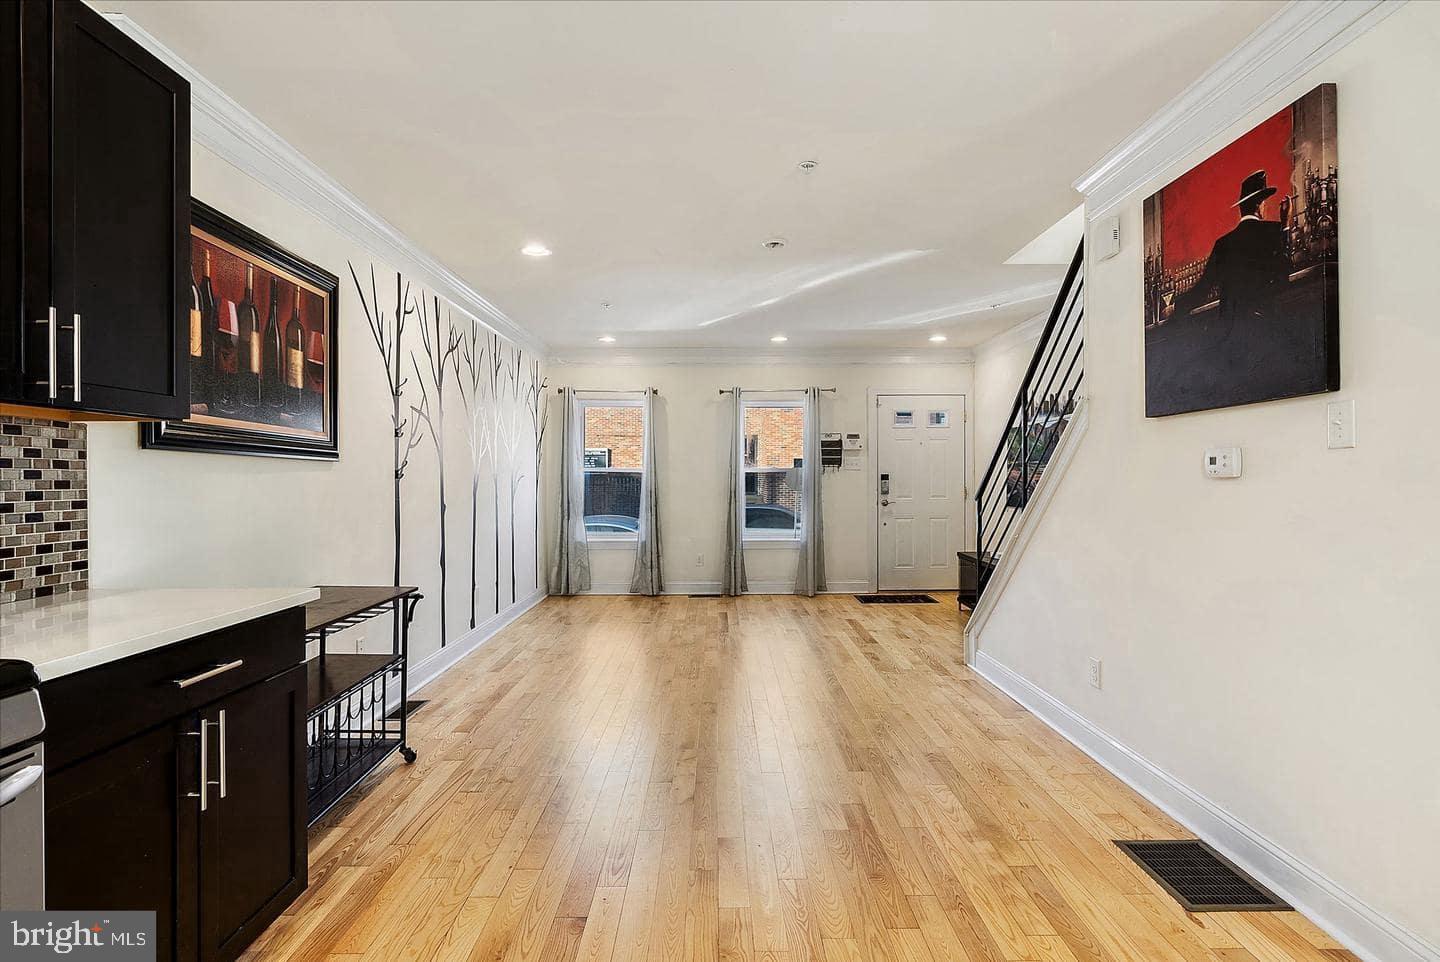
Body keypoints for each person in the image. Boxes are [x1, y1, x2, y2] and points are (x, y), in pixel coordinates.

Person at [1171, 170, 1291, 322]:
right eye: (1264, 202)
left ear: (1242, 208)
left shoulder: (1222, 244)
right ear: (1259, 205)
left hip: (1231, 329)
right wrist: (1285, 225)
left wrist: (1175, 307)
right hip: (1264, 325)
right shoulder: (1274, 231)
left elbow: (1202, 290)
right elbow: (1284, 274)